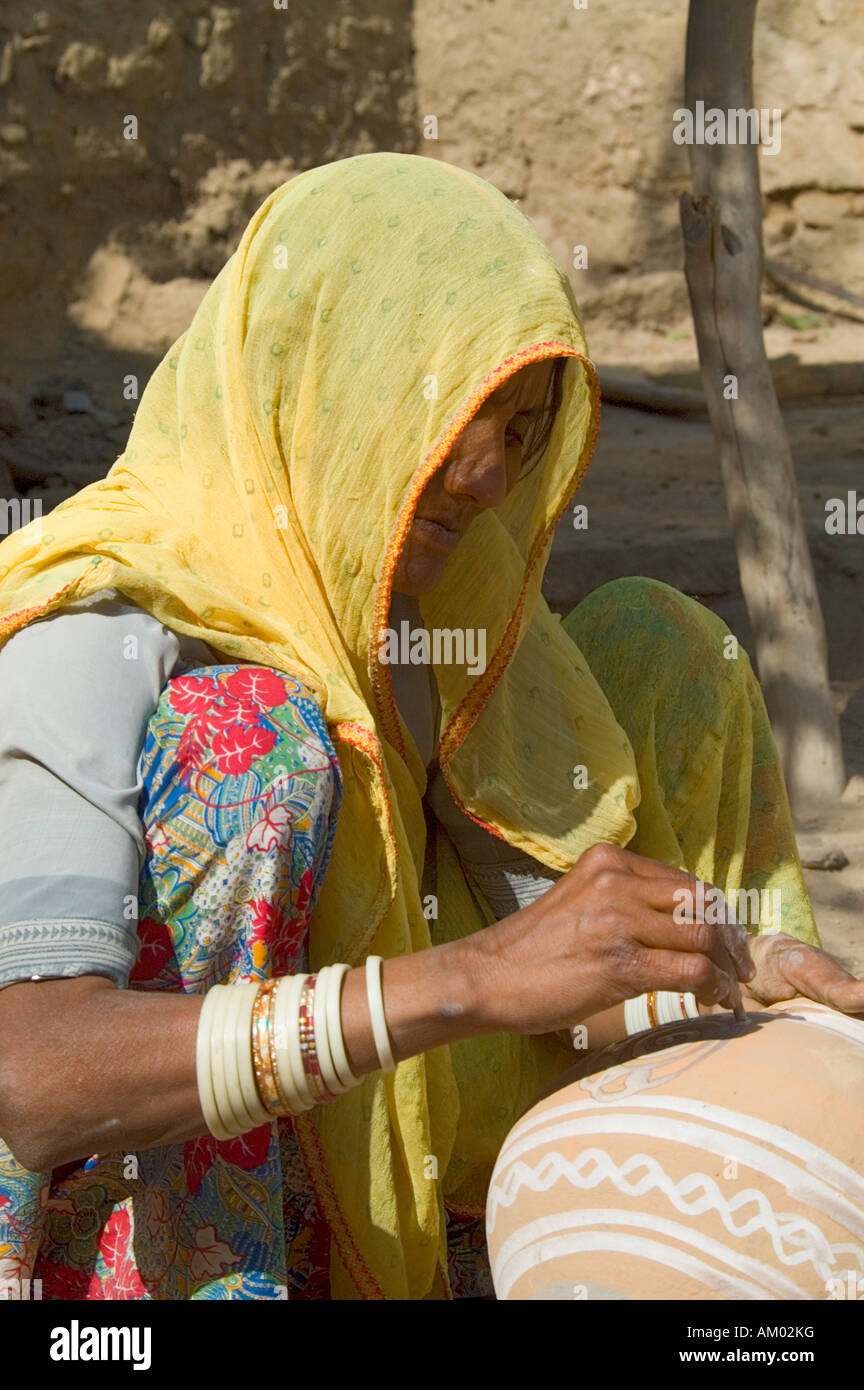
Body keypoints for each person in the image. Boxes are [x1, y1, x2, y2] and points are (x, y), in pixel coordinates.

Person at [0, 151, 860, 1302]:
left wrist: (709, 977)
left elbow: (528, 948)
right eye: (450, 410)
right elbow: (37, 1073)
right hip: (158, 1218)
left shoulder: (428, 617)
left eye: (519, 427)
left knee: (665, 645)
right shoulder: (95, 623)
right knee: (249, 738)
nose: (487, 472)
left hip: (410, 1143)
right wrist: (471, 980)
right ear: (320, 379)